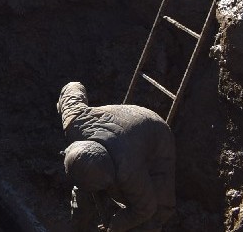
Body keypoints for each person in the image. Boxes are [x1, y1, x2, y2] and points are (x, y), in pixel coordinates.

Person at [57, 81, 176, 232]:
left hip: (156, 133)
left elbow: (145, 208)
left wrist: (115, 225)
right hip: (121, 121)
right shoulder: (75, 124)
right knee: (82, 191)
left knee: (157, 213)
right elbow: (72, 87)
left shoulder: (129, 171)